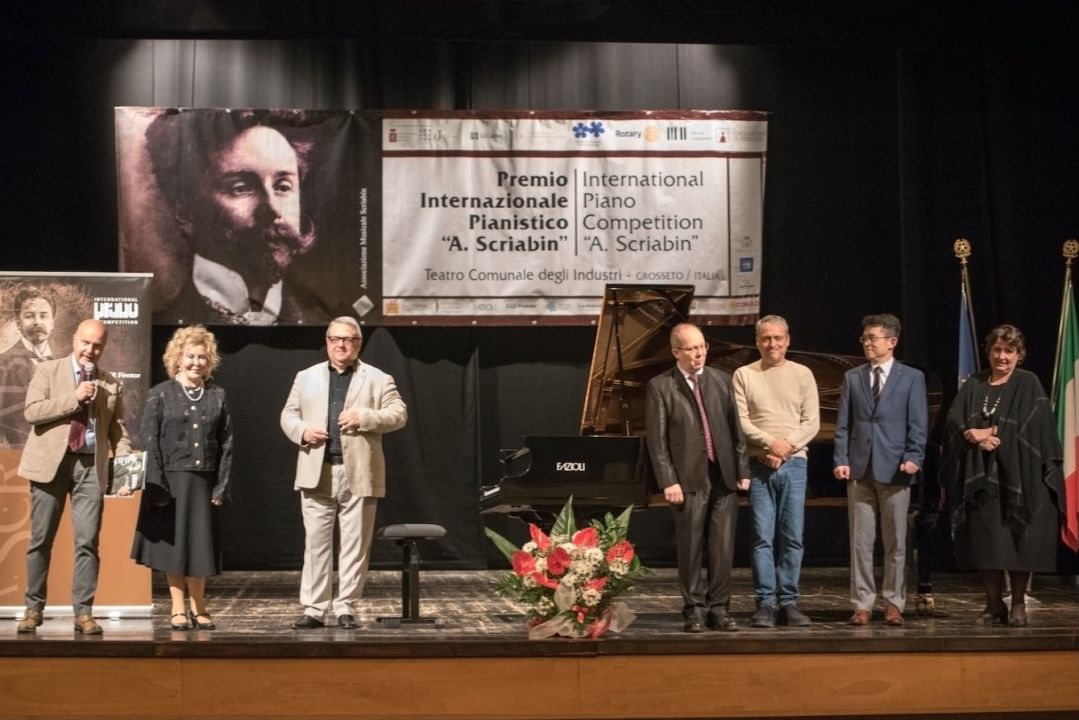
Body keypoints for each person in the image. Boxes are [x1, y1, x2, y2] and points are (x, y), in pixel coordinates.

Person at [145, 109, 328, 325]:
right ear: (185, 214)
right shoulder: (160, 328)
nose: (273, 208)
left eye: (283, 187)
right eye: (241, 188)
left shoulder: (322, 322)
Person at [280, 317, 407, 629]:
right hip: (317, 470)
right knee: (316, 545)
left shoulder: (378, 379)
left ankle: (345, 606)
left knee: (355, 545)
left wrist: (365, 417)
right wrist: (302, 431)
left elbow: (399, 414)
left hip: (359, 473)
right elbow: (288, 415)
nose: (341, 345)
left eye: (348, 339)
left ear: (358, 344)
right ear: (327, 341)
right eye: (335, 339)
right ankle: (314, 609)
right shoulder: (306, 377)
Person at [942, 324, 1064, 627]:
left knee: (1017, 542)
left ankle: (1018, 602)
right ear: (989, 352)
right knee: (988, 543)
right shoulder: (975, 382)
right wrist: (973, 436)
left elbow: (1036, 427)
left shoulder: (1027, 382)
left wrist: (992, 431)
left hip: (1020, 478)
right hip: (981, 480)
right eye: (997, 349)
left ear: (1019, 354)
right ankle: (993, 603)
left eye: (1009, 350)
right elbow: (955, 417)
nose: (1002, 356)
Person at [15, 319, 132, 635]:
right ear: (74, 340)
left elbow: (118, 430)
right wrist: (74, 397)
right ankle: (33, 609)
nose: (90, 350)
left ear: (103, 348)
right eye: (86, 343)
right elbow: (32, 412)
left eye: (97, 346)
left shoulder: (110, 383)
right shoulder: (48, 371)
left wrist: (124, 472)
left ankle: (83, 612)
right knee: (41, 540)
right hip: (50, 465)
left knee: (88, 541)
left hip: (89, 467)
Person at [646, 323, 750, 633]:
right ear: (676, 352)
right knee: (690, 546)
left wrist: (742, 470)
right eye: (691, 348)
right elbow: (657, 441)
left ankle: (720, 608)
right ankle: (694, 609)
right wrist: (668, 480)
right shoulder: (661, 386)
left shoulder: (722, 380)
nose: (699, 353)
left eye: (702, 346)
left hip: (723, 475)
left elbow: (736, 430)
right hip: (688, 478)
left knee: (722, 546)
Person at [131, 325, 233, 631]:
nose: (196, 363)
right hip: (170, 482)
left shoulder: (217, 395)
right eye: (190, 356)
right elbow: (149, 441)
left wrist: (221, 486)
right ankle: (177, 608)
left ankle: (199, 606)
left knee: (199, 547)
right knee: (174, 549)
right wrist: (156, 486)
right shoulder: (160, 394)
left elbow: (227, 443)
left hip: (202, 484)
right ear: (177, 358)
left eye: (202, 357)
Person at [833, 313, 927, 626]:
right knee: (860, 542)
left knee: (896, 542)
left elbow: (918, 423)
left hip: (896, 469)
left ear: (892, 341)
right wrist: (841, 459)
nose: (867, 343)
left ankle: (893, 603)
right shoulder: (853, 377)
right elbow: (843, 424)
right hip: (861, 469)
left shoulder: (911, 377)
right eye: (865, 338)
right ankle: (862, 603)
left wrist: (914, 456)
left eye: (872, 338)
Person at [732, 314, 820, 628]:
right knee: (762, 538)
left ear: (788, 340)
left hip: (795, 464)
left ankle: (789, 602)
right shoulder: (744, 374)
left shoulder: (803, 373)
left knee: (793, 537)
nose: (772, 344)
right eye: (766, 338)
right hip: (760, 465)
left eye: (778, 338)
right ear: (757, 342)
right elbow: (740, 422)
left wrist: (786, 448)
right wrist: (770, 444)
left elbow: (812, 422)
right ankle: (765, 603)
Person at [0, 287, 57, 446]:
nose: (38, 322)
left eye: (43, 315)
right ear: (18, 323)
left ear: (52, 322)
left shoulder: (62, 365)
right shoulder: (3, 364)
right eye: (29, 316)